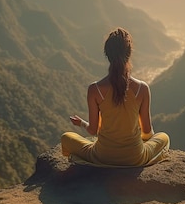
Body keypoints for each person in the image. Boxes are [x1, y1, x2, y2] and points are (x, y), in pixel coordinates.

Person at [61, 27, 170, 166]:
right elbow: (147, 131)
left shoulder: (94, 89)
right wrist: (139, 140)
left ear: (107, 54)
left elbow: (93, 131)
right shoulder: (142, 88)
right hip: (135, 158)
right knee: (164, 137)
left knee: (66, 137)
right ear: (129, 53)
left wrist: (81, 123)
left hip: (102, 156)